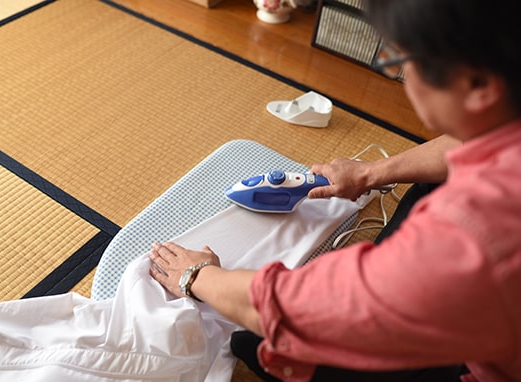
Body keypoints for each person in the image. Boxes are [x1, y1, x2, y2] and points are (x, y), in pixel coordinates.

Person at [149, 0, 521, 381]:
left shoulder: (469, 233)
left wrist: (197, 276)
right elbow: (471, 142)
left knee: (258, 341)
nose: (406, 79)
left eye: (403, 63)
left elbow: (307, 308)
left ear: (479, 85)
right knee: (430, 180)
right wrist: (371, 173)